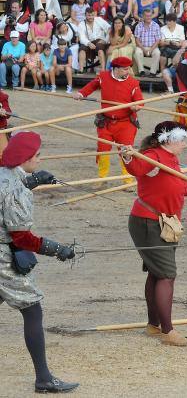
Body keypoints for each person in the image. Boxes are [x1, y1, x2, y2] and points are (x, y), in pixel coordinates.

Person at [0, 131, 79, 393]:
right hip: (3, 257)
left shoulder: (7, 175)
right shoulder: (15, 189)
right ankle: (43, 378)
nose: (39, 159)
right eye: (37, 156)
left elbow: (8, 190)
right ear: (25, 158)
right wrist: (58, 249)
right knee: (32, 309)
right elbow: (21, 237)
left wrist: (31, 181)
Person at [121, 121, 187, 347]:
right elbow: (137, 169)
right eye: (181, 140)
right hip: (148, 221)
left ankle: (153, 326)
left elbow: (172, 184)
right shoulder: (153, 155)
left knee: (156, 272)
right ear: (169, 139)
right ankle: (168, 331)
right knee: (166, 275)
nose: (184, 144)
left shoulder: (170, 158)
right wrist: (128, 156)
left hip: (164, 223)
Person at [73, 56, 141, 179]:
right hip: (106, 122)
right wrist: (81, 93)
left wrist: (136, 106)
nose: (129, 72)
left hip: (126, 123)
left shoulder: (133, 83)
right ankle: (102, 178)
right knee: (103, 149)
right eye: (125, 69)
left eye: (129, 69)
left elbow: (139, 101)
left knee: (126, 151)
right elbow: (91, 86)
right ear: (116, 69)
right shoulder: (103, 77)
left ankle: (128, 180)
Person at [77, 8, 110, 72]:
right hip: (88, 41)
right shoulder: (81, 24)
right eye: (89, 15)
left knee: (99, 47)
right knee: (82, 49)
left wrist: (105, 40)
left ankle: (103, 69)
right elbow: (82, 37)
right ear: (85, 15)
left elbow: (109, 28)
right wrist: (89, 43)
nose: (91, 17)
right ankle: (81, 69)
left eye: (92, 15)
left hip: (99, 40)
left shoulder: (99, 20)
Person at [133, 8, 162, 77]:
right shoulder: (138, 26)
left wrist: (151, 49)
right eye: (146, 16)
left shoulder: (156, 25)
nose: (148, 17)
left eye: (149, 16)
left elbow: (158, 40)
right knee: (137, 52)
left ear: (152, 16)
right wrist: (143, 49)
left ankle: (152, 72)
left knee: (157, 53)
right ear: (143, 16)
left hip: (153, 47)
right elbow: (137, 40)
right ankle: (141, 71)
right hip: (141, 46)